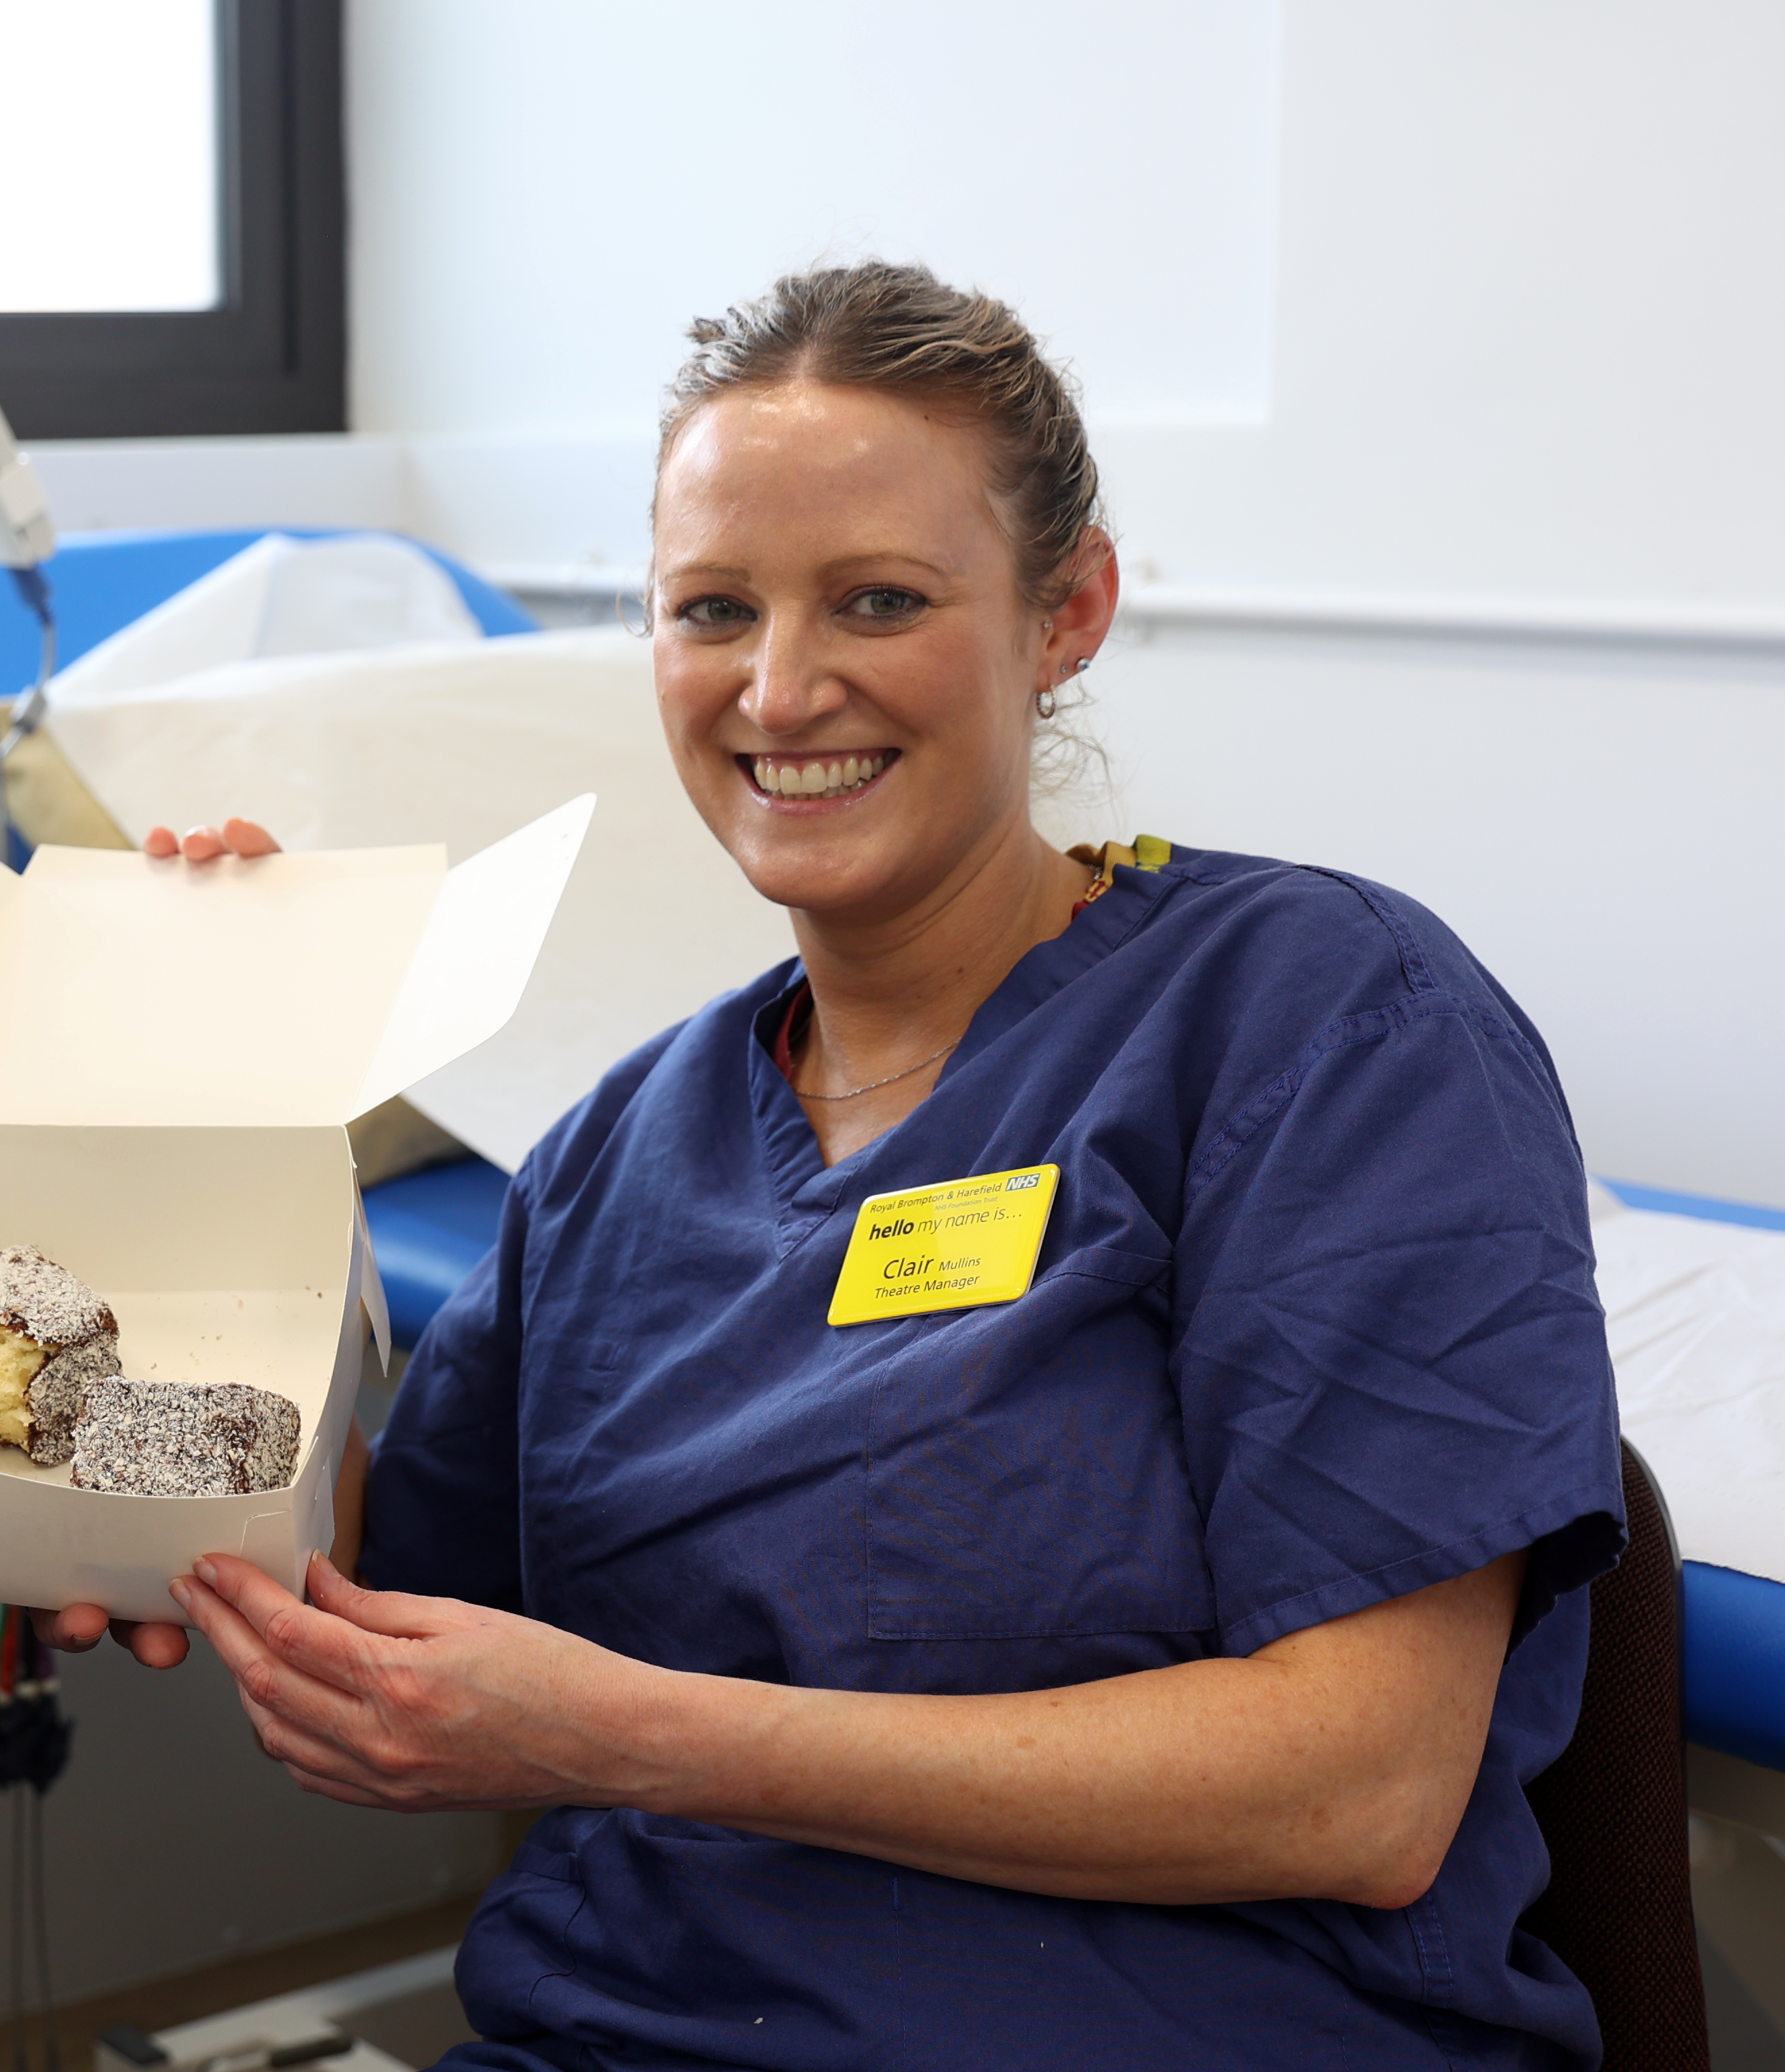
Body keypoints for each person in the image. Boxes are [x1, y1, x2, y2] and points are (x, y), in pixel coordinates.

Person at [167, 264, 1626, 2069]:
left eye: (878, 599)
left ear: (1066, 610)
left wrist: (631, 1737)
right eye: (712, 610)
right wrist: (195, 1109)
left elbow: (1365, 1787)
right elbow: (385, 1600)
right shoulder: (626, 1150)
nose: (781, 689)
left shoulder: (1318, 1020)